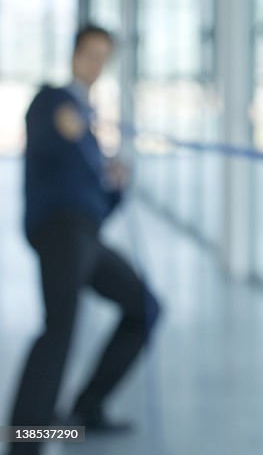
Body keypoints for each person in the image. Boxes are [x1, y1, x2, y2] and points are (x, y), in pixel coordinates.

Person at [6, 24, 160, 455]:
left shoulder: (89, 129)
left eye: (102, 56)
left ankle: (84, 411)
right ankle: (24, 440)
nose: (95, 64)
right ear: (74, 55)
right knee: (60, 327)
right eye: (89, 54)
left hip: (87, 236)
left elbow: (101, 204)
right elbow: (47, 128)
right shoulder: (53, 101)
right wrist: (65, 124)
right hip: (59, 231)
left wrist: (115, 184)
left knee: (144, 307)